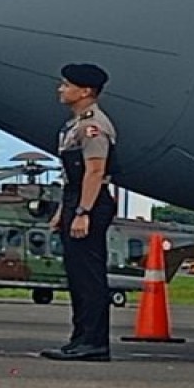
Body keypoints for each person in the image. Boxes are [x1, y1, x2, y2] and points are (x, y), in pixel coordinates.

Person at [41, 63, 117, 362]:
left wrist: (83, 211)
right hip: (77, 198)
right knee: (77, 276)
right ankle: (80, 338)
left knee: (89, 277)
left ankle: (94, 342)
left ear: (85, 91)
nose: (61, 89)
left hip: (91, 201)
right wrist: (65, 210)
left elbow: (95, 171)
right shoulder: (75, 125)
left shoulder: (92, 126)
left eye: (66, 85)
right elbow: (71, 176)